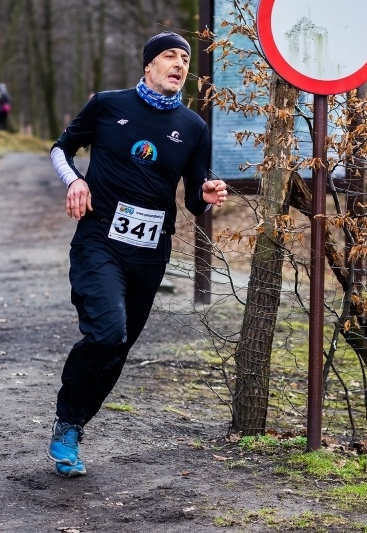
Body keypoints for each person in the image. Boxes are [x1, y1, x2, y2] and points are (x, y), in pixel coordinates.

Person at [47, 31, 228, 477]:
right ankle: (67, 422)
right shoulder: (109, 105)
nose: (179, 64)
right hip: (99, 242)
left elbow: (193, 198)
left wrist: (206, 194)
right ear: (148, 66)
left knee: (118, 347)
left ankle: (73, 426)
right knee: (108, 333)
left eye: (185, 59)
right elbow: (61, 148)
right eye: (169, 56)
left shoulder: (193, 127)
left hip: (150, 252)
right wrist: (75, 181)